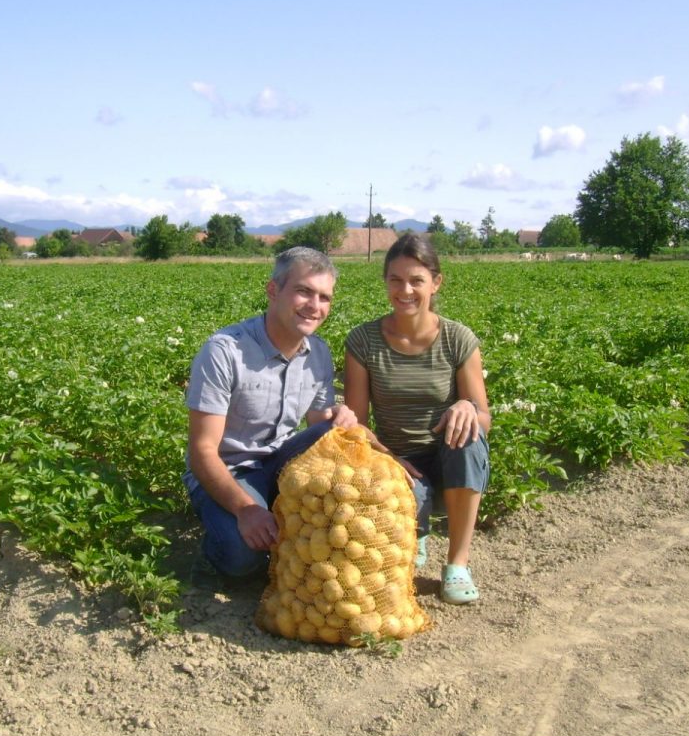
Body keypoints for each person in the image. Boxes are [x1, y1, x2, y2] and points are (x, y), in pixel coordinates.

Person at [184, 246, 358, 586]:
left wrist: (340, 417)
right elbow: (203, 452)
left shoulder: (318, 353)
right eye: (304, 291)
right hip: (229, 469)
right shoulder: (225, 351)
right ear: (273, 290)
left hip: (280, 462)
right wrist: (246, 510)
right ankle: (213, 551)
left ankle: (272, 516)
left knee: (331, 433)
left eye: (324, 297)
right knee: (243, 556)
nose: (315, 306)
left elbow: (319, 424)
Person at [344, 232, 490, 604]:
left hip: (448, 458)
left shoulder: (458, 339)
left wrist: (468, 407)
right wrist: (391, 460)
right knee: (403, 511)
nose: (404, 290)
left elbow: (484, 416)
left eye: (416, 280)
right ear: (385, 283)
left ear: (435, 283)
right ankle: (416, 530)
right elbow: (357, 426)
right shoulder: (363, 341)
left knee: (469, 436)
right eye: (395, 280)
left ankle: (457, 564)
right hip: (394, 459)